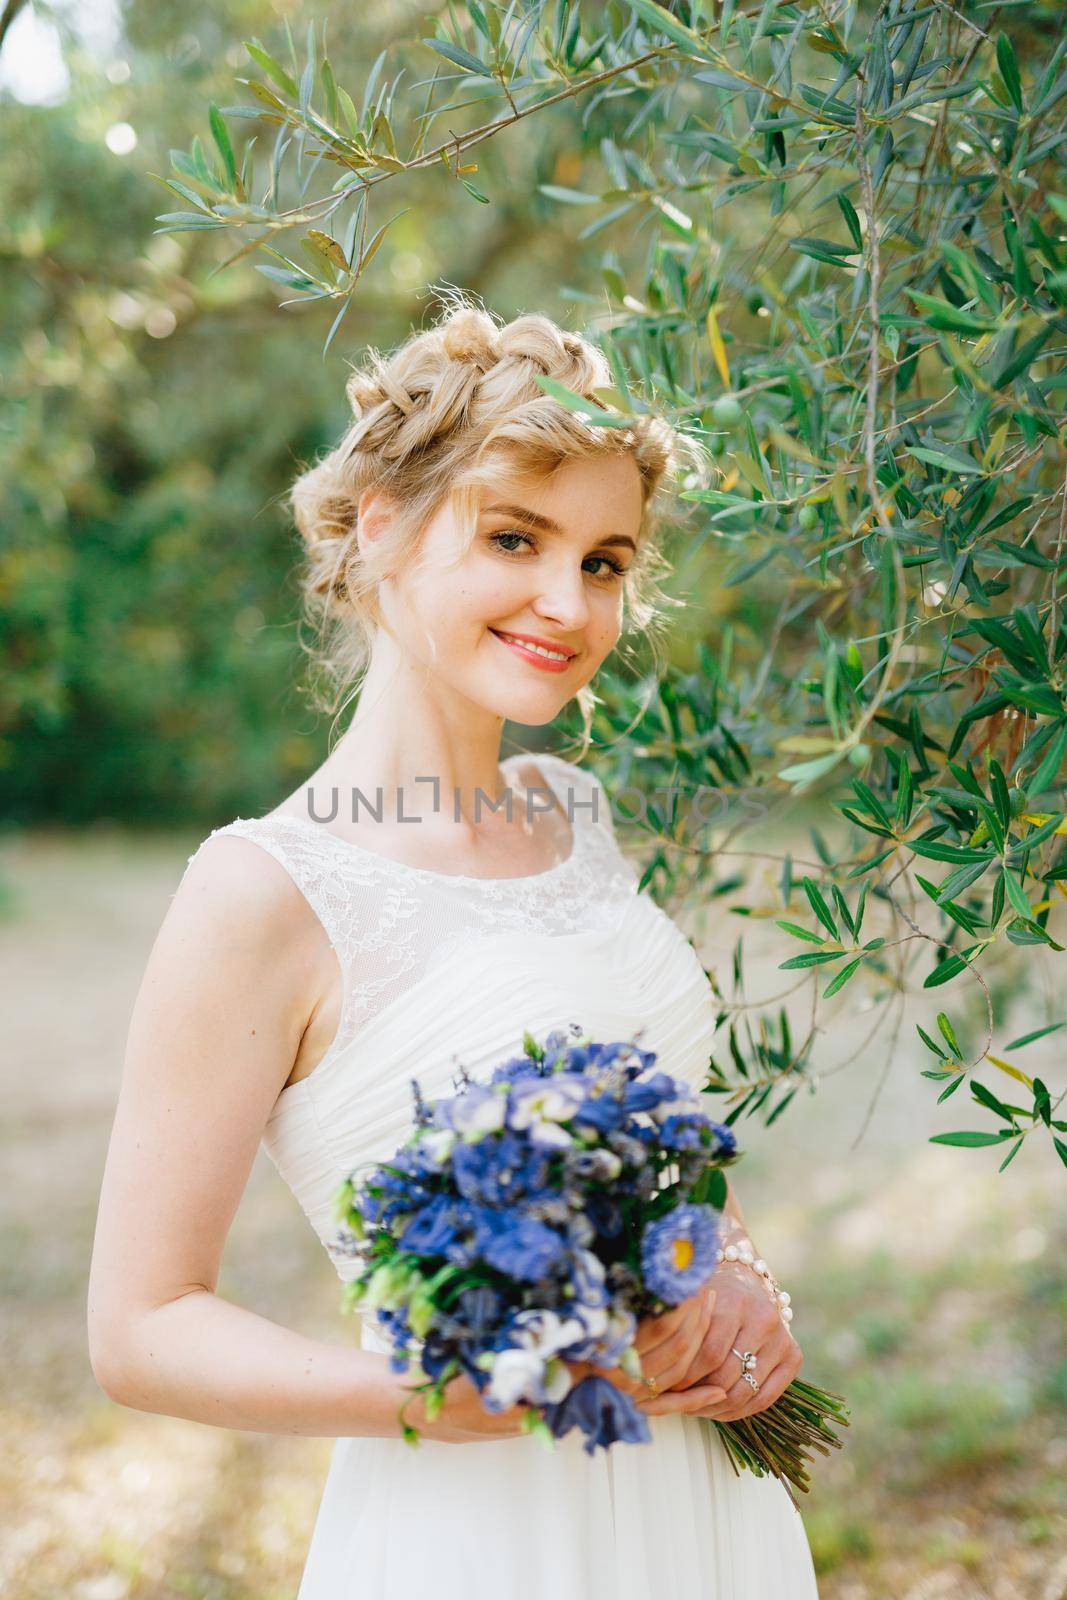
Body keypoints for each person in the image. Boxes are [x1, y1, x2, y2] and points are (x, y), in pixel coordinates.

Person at [88, 295, 820, 1597]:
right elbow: (139, 1330)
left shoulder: (569, 813)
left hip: (700, 1500)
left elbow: (664, 1143)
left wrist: (738, 1273)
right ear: (382, 528)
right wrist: (436, 1394)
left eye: (604, 559)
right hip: (485, 1530)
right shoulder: (261, 895)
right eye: (515, 537)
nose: (568, 601)